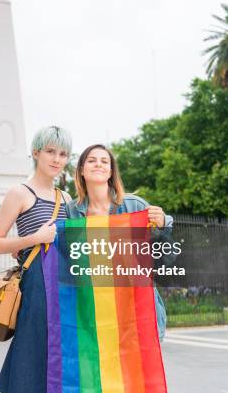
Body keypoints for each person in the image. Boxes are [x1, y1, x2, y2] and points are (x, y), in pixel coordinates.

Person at [0, 126, 72, 393]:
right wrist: (33, 238)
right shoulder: (20, 193)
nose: (56, 159)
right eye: (50, 151)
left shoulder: (66, 198)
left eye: (62, 154)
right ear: (36, 153)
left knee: (60, 353)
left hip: (64, 284)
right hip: (36, 285)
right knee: (32, 349)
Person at [68, 144, 174, 341]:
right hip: (93, 311)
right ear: (81, 170)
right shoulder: (70, 212)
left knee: (138, 371)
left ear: (110, 171)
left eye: (104, 161)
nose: (98, 164)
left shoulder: (135, 206)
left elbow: (164, 252)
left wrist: (163, 224)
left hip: (135, 309)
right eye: (91, 160)